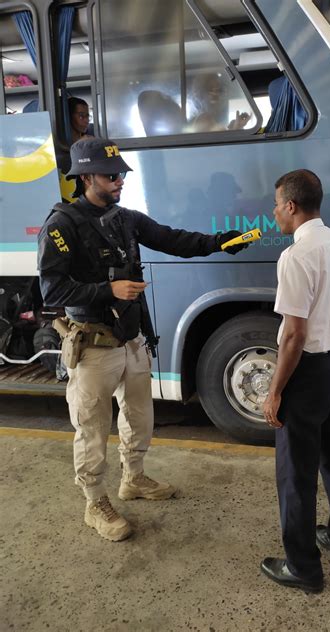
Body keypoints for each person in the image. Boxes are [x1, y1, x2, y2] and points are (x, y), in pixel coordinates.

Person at [37, 137, 247, 542]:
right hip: (93, 346)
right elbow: (53, 292)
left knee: (138, 417)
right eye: (111, 176)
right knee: (92, 427)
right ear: (85, 177)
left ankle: (132, 478)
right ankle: (94, 502)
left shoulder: (125, 218)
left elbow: (174, 240)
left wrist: (221, 243)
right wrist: (107, 290)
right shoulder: (61, 225)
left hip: (131, 340)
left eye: (121, 175)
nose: (119, 181)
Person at [261, 169, 330, 592]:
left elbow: (295, 335)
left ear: (291, 206)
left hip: (308, 375)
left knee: (296, 474)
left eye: (276, 204)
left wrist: (276, 390)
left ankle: (303, 567)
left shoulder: (296, 256)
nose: (273, 212)